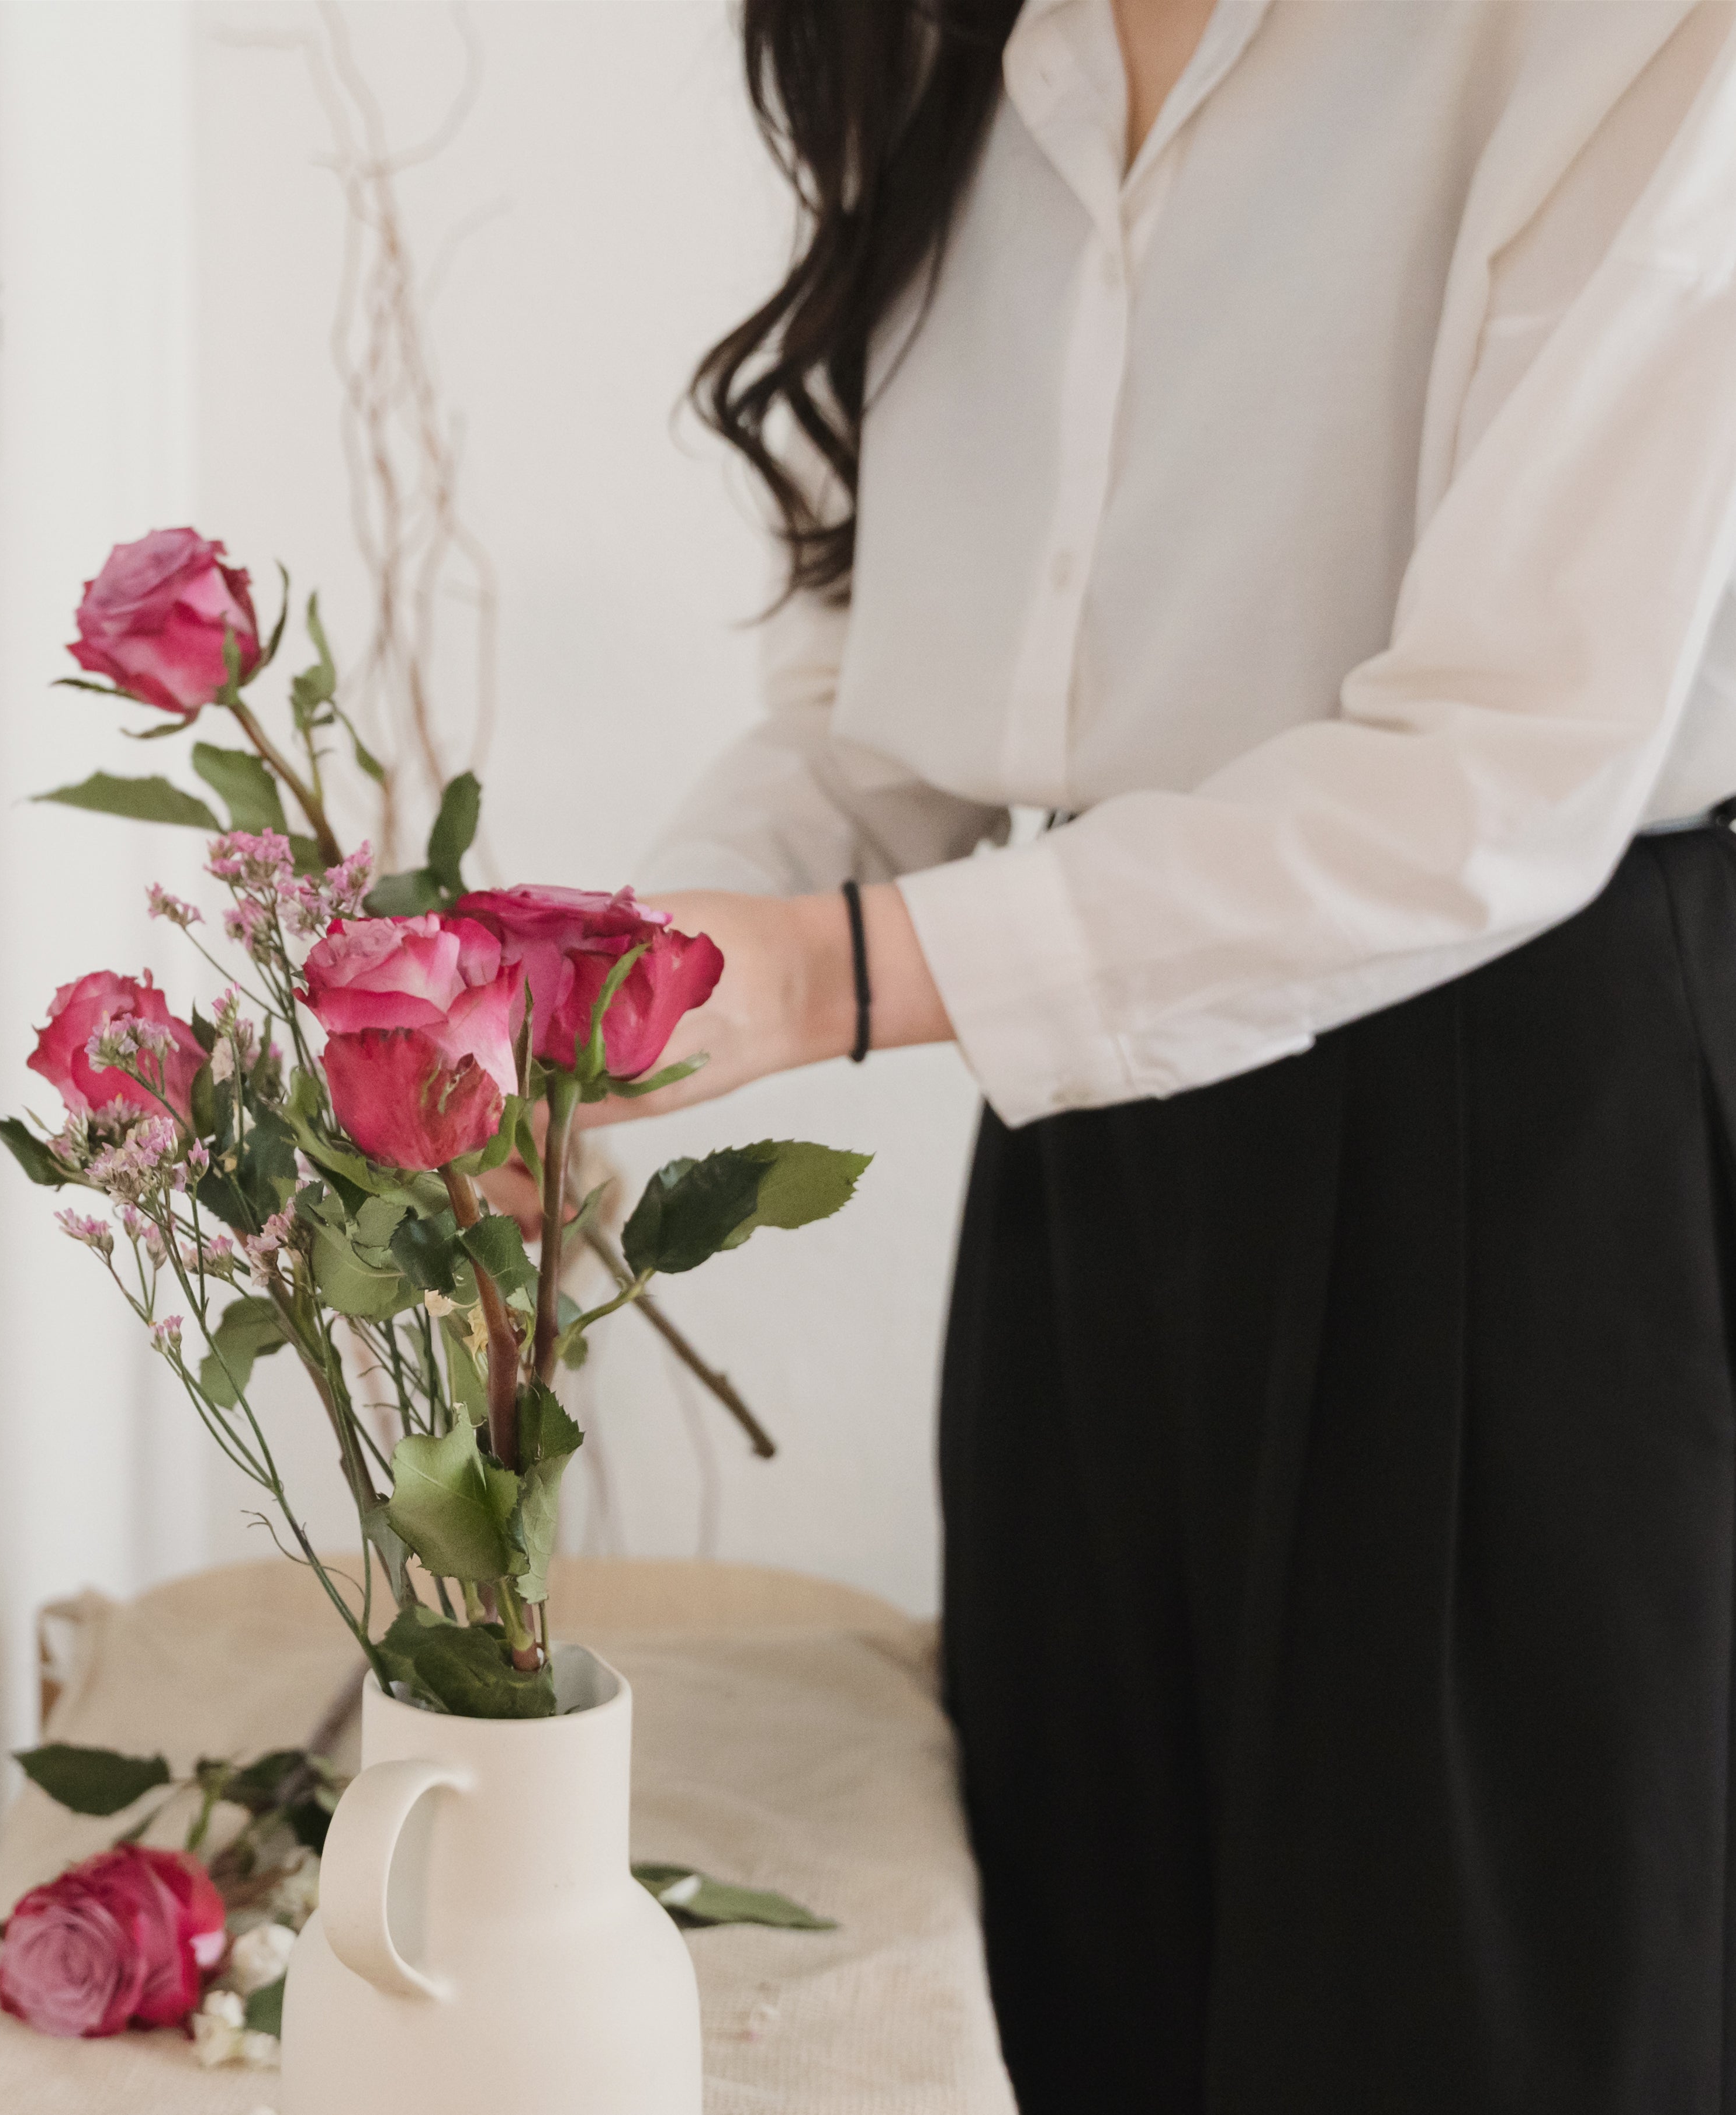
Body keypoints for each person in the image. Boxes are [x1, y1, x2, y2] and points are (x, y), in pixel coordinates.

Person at [579, 2, 1736, 2108]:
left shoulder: (1620, 34)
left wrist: (828, 978)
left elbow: (1503, 765)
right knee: (1078, 1995)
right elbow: (902, 691)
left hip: (1519, 1140)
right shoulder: (933, 38)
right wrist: (620, 981)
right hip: (1091, 1124)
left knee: (1475, 2030)